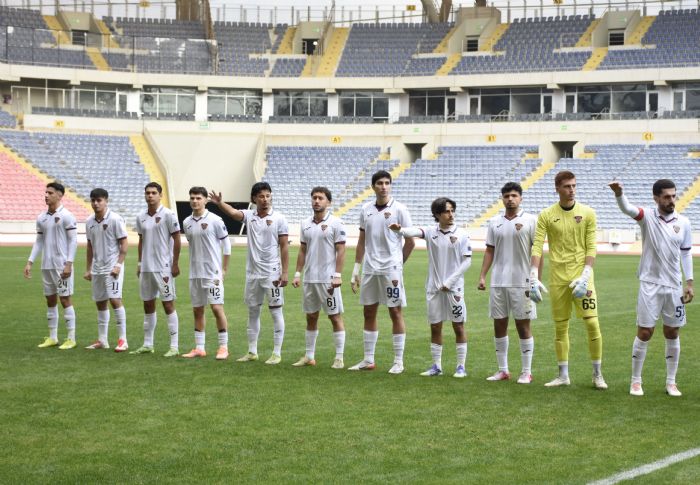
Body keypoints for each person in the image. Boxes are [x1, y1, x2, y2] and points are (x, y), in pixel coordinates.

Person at [609, 179, 693, 397]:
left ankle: (671, 382)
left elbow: (685, 253)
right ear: (656, 198)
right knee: (645, 332)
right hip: (650, 284)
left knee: (672, 332)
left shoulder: (684, 223)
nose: (672, 200)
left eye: (673, 196)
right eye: (667, 197)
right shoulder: (647, 216)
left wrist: (689, 282)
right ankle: (636, 381)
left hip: (674, 286)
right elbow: (627, 209)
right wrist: (619, 193)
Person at [529, 171, 607, 389]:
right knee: (561, 327)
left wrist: (586, 274)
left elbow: (591, 246)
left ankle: (597, 374)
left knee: (592, 323)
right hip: (557, 279)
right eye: (567, 186)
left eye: (574, 185)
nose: (571, 190)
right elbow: (537, 245)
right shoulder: (546, 215)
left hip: (582, 278)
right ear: (557, 188)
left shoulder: (588, 213)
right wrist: (533, 275)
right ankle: (563, 375)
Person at [209, 182, 289, 364]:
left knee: (276, 311)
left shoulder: (279, 218)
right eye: (261, 196)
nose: (265, 199)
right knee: (253, 312)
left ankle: (277, 353)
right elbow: (233, 213)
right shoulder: (249, 215)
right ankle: (252, 351)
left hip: (272, 273)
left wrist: (285, 272)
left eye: (268, 195)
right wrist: (220, 203)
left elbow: (284, 246)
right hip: (252, 273)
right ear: (254, 198)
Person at [390, 197, 470, 377]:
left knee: (458, 326)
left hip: (454, 289)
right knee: (435, 327)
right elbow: (415, 231)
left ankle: (461, 367)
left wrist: (450, 282)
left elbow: (467, 262)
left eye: (452, 211)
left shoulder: (462, 234)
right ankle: (436, 366)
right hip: (433, 288)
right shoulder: (430, 231)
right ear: (437, 214)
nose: (451, 214)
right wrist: (400, 230)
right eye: (447, 211)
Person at [349, 170, 415, 374]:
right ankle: (368, 359)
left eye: (387, 183)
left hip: (391, 269)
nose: (384, 186)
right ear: (373, 187)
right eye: (379, 183)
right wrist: (356, 269)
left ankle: (398, 361)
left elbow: (410, 242)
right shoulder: (365, 209)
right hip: (370, 268)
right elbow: (362, 241)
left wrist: (398, 264)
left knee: (395, 311)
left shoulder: (400, 209)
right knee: (369, 311)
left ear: (391, 185)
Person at [478, 182, 539, 384]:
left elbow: (537, 252)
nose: (510, 199)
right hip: (498, 281)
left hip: (522, 282)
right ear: (502, 199)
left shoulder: (531, 220)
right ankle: (503, 370)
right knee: (499, 324)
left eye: (514, 195)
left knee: (523, 325)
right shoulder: (494, 222)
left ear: (521, 198)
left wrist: (535, 279)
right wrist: (482, 276)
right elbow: (489, 250)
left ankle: (526, 371)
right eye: (506, 196)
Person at [291, 187, 347, 369]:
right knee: (311, 316)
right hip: (310, 279)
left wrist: (337, 275)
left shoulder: (336, 223)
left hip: (328, 280)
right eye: (314, 198)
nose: (316, 201)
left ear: (328, 202)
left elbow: (341, 250)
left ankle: (339, 357)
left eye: (320, 198)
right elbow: (302, 250)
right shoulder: (305, 223)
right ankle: (309, 356)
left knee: (334, 317)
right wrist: (297, 273)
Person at [24, 182, 78, 350]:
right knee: (50, 300)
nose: (46, 195)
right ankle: (53, 337)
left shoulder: (67, 216)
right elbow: (39, 241)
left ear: (60, 195)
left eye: (50, 193)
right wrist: (30, 261)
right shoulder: (41, 217)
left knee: (65, 299)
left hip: (61, 266)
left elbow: (73, 241)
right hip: (46, 265)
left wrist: (69, 263)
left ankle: (71, 338)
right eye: (45, 192)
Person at [130, 182, 182, 357]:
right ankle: (147, 344)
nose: (150, 196)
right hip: (146, 268)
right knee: (148, 303)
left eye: (153, 193)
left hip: (163, 267)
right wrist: (139, 263)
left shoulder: (168, 215)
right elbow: (141, 240)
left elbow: (177, 239)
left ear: (160, 195)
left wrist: (175, 263)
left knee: (168, 304)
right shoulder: (141, 216)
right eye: (147, 193)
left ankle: (174, 346)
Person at [181, 187, 231, 359]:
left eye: (198, 198)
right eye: (192, 198)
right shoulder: (186, 222)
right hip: (195, 273)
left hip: (212, 274)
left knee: (216, 308)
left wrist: (224, 269)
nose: (195, 201)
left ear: (205, 200)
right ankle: (199, 348)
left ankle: (223, 347)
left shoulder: (215, 220)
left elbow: (227, 245)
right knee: (197, 310)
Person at [84, 188, 129, 352]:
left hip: (112, 267)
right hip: (97, 268)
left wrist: (118, 265)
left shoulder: (115, 219)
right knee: (100, 302)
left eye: (99, 200)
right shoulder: (89, 221)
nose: (96, 203)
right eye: (93, 200)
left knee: (115, 300)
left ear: (106, 201)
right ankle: (103, 340)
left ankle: (123, 340)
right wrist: (88, 268)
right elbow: (90, 246)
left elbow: (124, 243)